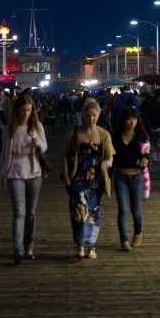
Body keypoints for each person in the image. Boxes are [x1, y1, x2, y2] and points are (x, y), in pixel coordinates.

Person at [61, 98, 114, 260]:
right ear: (83, 115)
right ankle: (79, 245)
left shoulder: (104, 134)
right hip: (78, 179)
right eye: (88, 115)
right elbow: (65, 154)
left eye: (94, 115)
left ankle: (91, 246)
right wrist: (65, 174)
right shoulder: (75, 132)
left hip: (96, 181)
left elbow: (110, 157)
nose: (91, 118)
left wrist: (107, 163)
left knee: (94, 214)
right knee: (78, 213)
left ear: (98, 115)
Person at [0, 92, 47, 265]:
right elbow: (5, 153)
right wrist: (2, 174)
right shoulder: (8, 129)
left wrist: (36, 141)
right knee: (19, 212)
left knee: (31, 213)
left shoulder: (37, 126)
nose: (25, 114)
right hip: (14, 172)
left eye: (28, 110)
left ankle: (29, 247)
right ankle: (17, 249)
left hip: (34, 172)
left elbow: (44, 147)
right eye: (22, 110)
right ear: (16, 111)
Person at [111, 106, 150, 252]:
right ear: (123, 120)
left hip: (137, 177)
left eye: (134, 119)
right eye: (128, 119)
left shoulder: (141, 136)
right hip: (120, 176)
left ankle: (138, 232)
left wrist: (146, 159)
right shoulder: (115, 137)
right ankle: (124, 240)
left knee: (136, 210)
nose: (131, 122)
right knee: (123, 210)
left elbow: (146, 153)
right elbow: (110, 157)